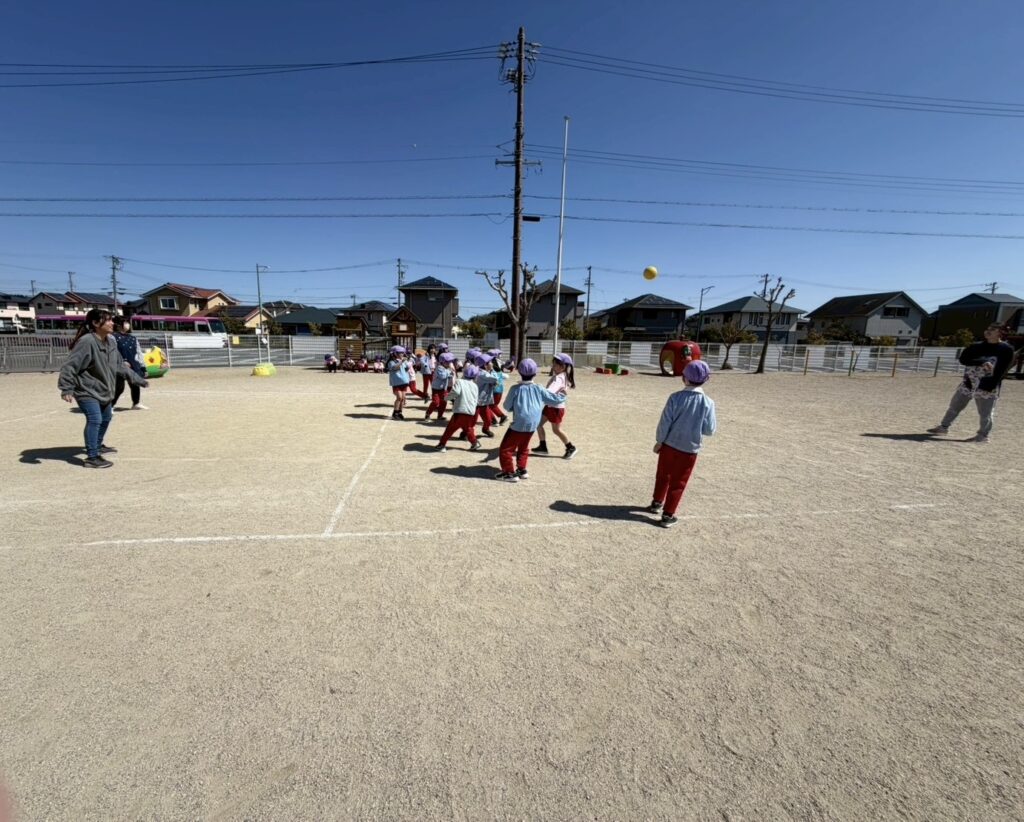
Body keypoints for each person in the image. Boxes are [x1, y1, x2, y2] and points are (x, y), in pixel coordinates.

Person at [58, 309, 149, 468]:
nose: (112, 323)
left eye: (111, 320)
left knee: (106, 418)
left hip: (104, 389)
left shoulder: (111, 342)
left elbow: (119, 365)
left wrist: (137, 379)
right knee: (95, 419)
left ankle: (98, 445)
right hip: (86, 390)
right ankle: (92, 457)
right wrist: (66, 388)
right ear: (95, 323)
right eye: (108, 320)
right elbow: (70, 365)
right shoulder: (87, 341)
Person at [649, 360, 716, 528]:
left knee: (663, 474)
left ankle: (657, 502)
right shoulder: (708, 402)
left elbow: (665, 422)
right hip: (689, 449)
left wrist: (659, 441)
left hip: (669, 445)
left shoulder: (675, 397)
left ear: (684, 378)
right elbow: (709, 430)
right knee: (679, 481)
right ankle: (668, 514)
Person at [927, 323, 1015, 443]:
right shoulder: (976, 346)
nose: (988, 331)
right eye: (987, 328)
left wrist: (991, 384)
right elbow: (964, 359)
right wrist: (982, 362)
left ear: (1001, 333)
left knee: (985, 412)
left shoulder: (1006, 349)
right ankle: (943, 427)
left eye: (993, 329)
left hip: (987, 384)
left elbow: (1002, 370)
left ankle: (983, 436)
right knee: (955, 406)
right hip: (969, 381)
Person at [496, 358, 567, 482]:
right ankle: (522, 469)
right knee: (524, 446)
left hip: (518, 423)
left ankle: (509, 473)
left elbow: (507, 406)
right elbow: (553, 399)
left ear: (519, 372)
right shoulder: (539, 388)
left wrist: (514, 408)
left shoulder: (515, 388)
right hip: (533, 424)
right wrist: (563, 395)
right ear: (535, 373)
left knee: (505, 449)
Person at [535, 353, 577, 459]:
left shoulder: (559, 378)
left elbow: (550, 391)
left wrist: (538, 389)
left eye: (554, 365)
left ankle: (571, 447)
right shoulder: (563, 376)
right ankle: (543, 446)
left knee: (556, 430)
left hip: (556, 408)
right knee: (538, 424)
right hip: (550, 406)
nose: (552, 367)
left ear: (562, 366)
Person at [435, 363, 482, 452]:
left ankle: (442, 445)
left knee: (450, 428)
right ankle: (475, 443)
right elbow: (476, 399)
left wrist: (446, 398)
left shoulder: (460, 381)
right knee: (467, 428)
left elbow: (455, 392)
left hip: (460, 410)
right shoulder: (475, 385)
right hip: (470, 411)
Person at [112, 315, 148, 409]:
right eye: (125, 322)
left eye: (128, 322)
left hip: (133, 364)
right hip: (119, 366)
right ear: (118, 324)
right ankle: (110, 405)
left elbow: (139, 353)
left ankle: (136, 403)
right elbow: (112, 351)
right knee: (119, 387)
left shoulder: (133, 338)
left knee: (135, 384)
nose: (128, 324)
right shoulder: (112, 337)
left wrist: (143, 367)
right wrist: (122, 361)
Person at [424, 351, 455, 422]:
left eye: (449, 362)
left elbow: (450, 376)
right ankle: (427, 414)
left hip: (443, 389)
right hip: (436, 389)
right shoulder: (439, 368)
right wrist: (449, 371)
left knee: (444, 402)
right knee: (436, 402)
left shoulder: (446, 368)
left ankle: (440, 415)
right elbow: (443, 376)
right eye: (447, 362)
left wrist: (451, 373)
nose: (449, 363)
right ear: (442, 362)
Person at [473, 353, 499, 438]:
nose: (492, 363)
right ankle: (465, 433)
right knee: (473, 420)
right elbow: (495, 379)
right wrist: (492, 371)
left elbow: (494, 382)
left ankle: (485, 429)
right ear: (485, 365)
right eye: (490, 362)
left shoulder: (484, 372)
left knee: (488, 420)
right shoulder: (483, 374)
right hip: (477, 401)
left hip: (484, 401)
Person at [387, 346, 411, 419]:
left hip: (404, 381)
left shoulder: (403, 361)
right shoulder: (391, 362)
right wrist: (401, 362)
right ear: (395, 354)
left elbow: (407, 369)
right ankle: (395, 413)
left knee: (403, 398)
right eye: (400, 353)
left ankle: (400, 412)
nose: (402, 354)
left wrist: (408, 363)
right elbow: (394, 368)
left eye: (403, 353)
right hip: (396, 382)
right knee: (399, 397)